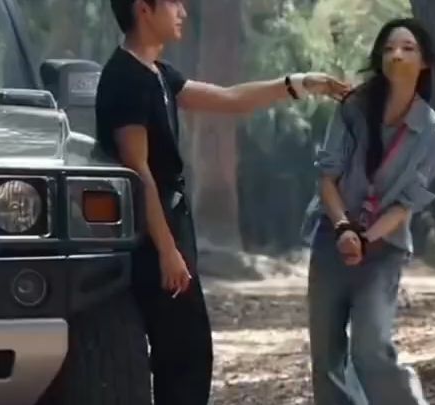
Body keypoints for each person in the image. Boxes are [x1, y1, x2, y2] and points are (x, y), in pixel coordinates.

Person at [95, 1, 349, 404]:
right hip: (152, 234)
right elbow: (138, 171)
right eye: (173, 3)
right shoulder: (125, 79)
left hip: (173, 225)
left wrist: (299, 84)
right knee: (182, 355)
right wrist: (167, 251)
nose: (182, 11)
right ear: (143, 9)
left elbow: (230, 98)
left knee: (190, 352)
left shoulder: (158, 73)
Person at [300, 17, 435, 405]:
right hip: (332, 237)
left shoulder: (433, 132)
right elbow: (327, 178)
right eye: (388, 49)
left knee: (371, 348)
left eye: (407, 48)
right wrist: (343, 229)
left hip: (384, 248)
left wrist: (365, 239)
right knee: (326, 356)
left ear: (425, 62)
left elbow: (405, 206)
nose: (396, 55)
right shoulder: (353, 108)